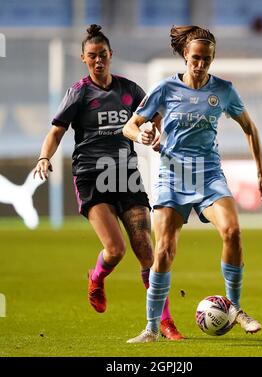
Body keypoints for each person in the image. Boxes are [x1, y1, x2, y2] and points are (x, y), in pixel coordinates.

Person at [123, 25, 262, 343]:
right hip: (172, 177)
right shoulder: (165, 89)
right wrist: (141, 134)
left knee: (233, 231)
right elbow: (131, 126)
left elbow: (250, 128)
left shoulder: (224, 90)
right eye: (196, 58)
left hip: (209, 175)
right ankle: (152, 328)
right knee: (163, 251)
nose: (200, 65)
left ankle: (236, 309)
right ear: (185, 55)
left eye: (207, 60)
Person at [33, 24, 183, 340]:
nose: (98, 61)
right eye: (92, 56)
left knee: (147, 251)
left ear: (110, 55)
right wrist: (44, 157)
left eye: (103, 55)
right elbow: (56, 131)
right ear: (84, 59)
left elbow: (153, 115)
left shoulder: (129, 90)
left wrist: (156, 132)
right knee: (115, 250)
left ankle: (165, 322)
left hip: (126, 174)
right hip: (91, 176)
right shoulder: (79, 92)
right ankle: (97, 276)